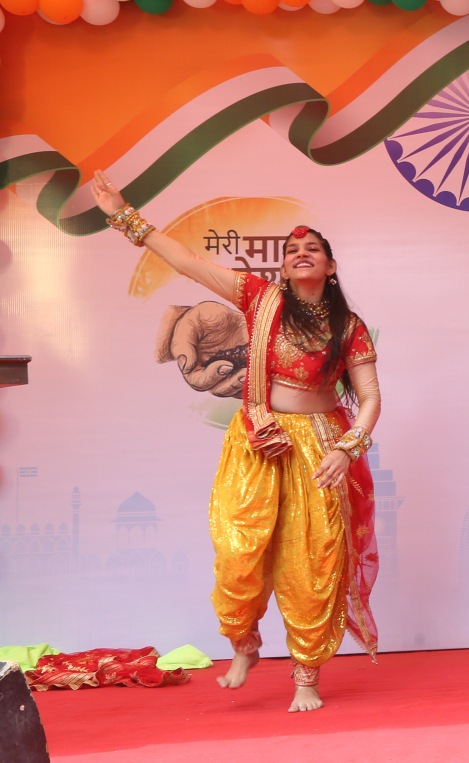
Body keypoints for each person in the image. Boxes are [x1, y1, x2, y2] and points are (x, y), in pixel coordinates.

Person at [90, 173, 380, 712]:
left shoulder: (349, 326)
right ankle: (244, 642)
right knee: (238, 552)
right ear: (282, 268)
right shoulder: (258, 298)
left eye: (312, 249)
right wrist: (124, 216)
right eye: (291, 251)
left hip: (319, 450)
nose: (300, 254)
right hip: (258, 440)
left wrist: (348, 448)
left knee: (311, 560)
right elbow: (186, 262)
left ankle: (307, 677)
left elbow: (370, 398)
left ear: (331, 266)